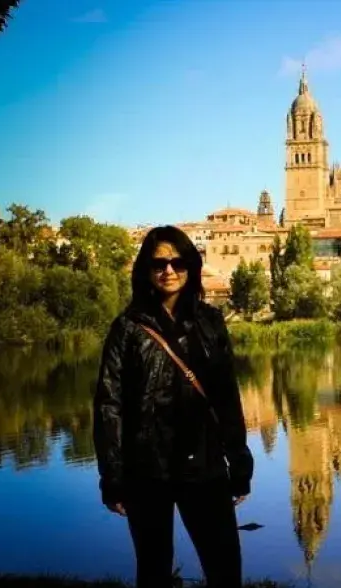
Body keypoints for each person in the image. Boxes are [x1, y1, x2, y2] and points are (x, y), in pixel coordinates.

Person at [93, 225, 254, 588]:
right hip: (145, 469)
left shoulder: (211, 323)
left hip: (205, 464)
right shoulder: (127, 329)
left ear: (191, 266)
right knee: (153, 570)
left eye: (177, 262)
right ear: (145, 271)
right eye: (158, 263)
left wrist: (239, 460)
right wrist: (112, 477)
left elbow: (226, 397)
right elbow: (109, 405)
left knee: (225, 568)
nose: (168, 270)